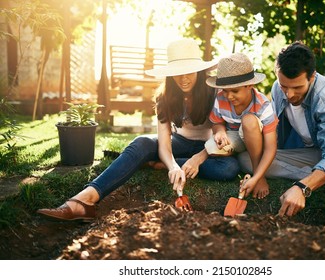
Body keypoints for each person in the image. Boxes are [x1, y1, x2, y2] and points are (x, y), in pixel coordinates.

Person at [37, 38, 240, 221]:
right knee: (142, 142)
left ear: (199, 70)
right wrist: (172, 166)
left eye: (188, 71)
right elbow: (164, 141)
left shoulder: (215, 92)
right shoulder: (165, 97)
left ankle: (152, 164)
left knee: (229, 168)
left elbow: (225, 135)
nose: (183, 78)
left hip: (209, 147)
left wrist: (199, 158)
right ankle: (85, 199)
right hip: (180, 143)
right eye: (177, 73)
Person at [238, 41, 325, 232]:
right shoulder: (278, 89)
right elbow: (273, 134)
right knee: (247, 159)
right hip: (313, 153)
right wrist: (258, 173)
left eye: (297, 87)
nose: (289, 94)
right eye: (284, 86)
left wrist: (302, 187)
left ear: (312, 76)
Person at [204, 53, 278, 199]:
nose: (229, 96)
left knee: (249, 120)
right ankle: (181, 163)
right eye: (225, 90)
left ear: (249, 85)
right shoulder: (220, 98)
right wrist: (219, 132)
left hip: (256, 139)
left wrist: (258, 178)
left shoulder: (263, 105)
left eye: (235, 91)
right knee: (211, 147)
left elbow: (271, 147)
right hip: (234, 137)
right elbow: (216, 122)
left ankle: (257, 171)